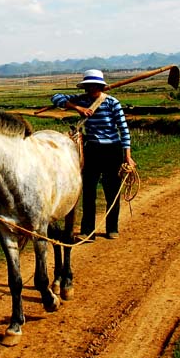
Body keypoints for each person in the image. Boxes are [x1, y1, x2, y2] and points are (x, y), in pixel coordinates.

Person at [52, 69, 135, 240]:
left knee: (112, 190)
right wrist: (77, 107)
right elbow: (56, 98)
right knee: (88, 191)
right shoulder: (82, 100)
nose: (91, 89)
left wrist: (127, 156)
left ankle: (112, 228)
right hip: (91, 150)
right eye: (88, 86)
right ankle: (87, 231)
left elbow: (124, 131)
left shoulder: (112, 103)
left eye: (94, 86)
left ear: (100, 86)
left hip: (112, 149)